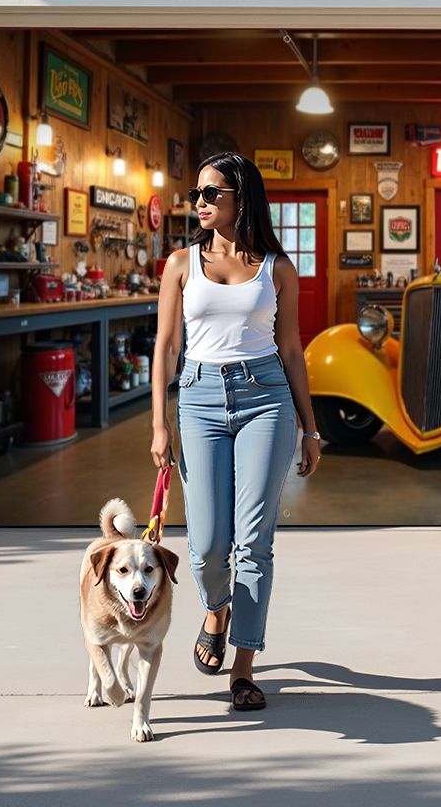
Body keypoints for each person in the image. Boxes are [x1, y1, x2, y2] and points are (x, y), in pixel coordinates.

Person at [150, 151, 322, 711]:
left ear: (240, 199)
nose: (198, 202)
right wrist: (159, 422)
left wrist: (311, 427)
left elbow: (292, 349)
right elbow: (167, 347)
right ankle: (216, 608)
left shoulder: (278, 268)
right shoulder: (180, 264)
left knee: (254, 541)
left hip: (266, 398)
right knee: (204, 546)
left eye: (209, 194)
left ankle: (244, 665)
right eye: (196, 193)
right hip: (198, 399)